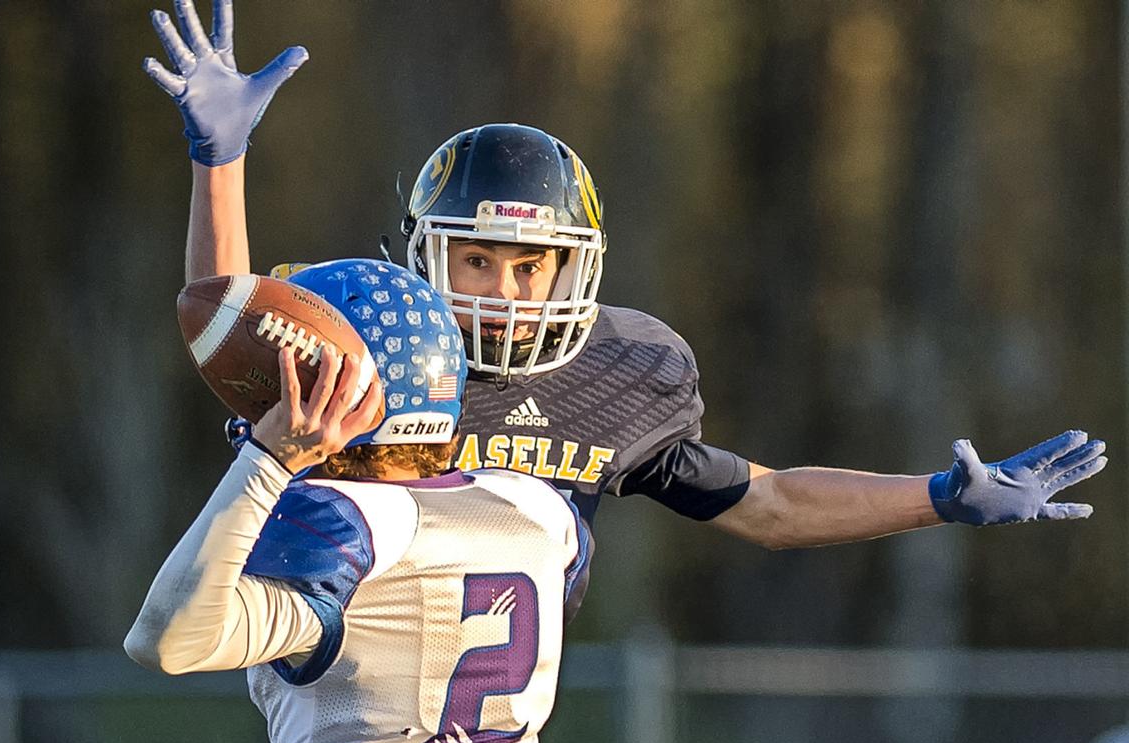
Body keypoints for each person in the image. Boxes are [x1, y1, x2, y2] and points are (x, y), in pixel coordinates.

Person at [143, 0, 1107, 546]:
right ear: (425, 255)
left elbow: (765, 500)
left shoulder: (625, 373)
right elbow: (227, 328)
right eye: (474, 256)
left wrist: (937, 495)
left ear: (578, 271)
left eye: (530, 265)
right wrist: (217, 165)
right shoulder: (380, 351)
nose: (501, 289)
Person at [125, 259, 593, 743]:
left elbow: (165, 641)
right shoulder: (539, 509)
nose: (268, 407)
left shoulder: (346, 527)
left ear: (339, 395)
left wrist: (270, 461)